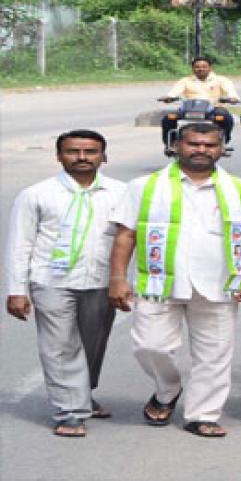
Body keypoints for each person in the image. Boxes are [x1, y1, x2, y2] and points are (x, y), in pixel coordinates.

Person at [108, 123, 241, 438]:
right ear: (176, 145)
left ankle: (203, 414)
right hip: (160, 282)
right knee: (149, 345)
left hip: (219, 283)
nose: (201, 149)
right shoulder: (143, 186)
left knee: (214, 353)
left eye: (210, 144)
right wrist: (117, 278)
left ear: (222, 148)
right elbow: (125, 235)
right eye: (194, 143)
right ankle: (167, 389)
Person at [5, 130, 125, 437]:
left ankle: (83, 392)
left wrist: (124, 280)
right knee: (59, 345)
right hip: (51, 280)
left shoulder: (121, 193)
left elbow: (131, 239)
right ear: (59, 156)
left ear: (104, 156)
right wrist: (16, 290)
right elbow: (20, 244)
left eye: (90, 151)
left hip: (100, 281)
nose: (82, 157)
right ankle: (70, 410)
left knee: (93, 343)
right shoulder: (36, 194)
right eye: (73, 151)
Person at [160, 57, 240, 146]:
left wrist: (233, 98)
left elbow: (231, 92)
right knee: (168, 118)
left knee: (225, 118)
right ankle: (171, 144)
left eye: (204, 66)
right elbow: (174, 92)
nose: (200, 69)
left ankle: (223, 142)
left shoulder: (221, 80)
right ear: (193, 69)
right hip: (189, 108)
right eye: (197, 67)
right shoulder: (185, 81)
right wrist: (169, 97)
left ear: (210, 68)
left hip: (214, 108)